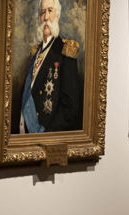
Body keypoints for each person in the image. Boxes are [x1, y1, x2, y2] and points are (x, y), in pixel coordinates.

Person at [19, 0, 82, 133]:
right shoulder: (35, 53)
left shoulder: (65, 50)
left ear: (57, 16)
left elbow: (70, 109)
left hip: (46, 134)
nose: (46, 17)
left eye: (50, 11)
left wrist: (47, 134)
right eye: (42, 12)